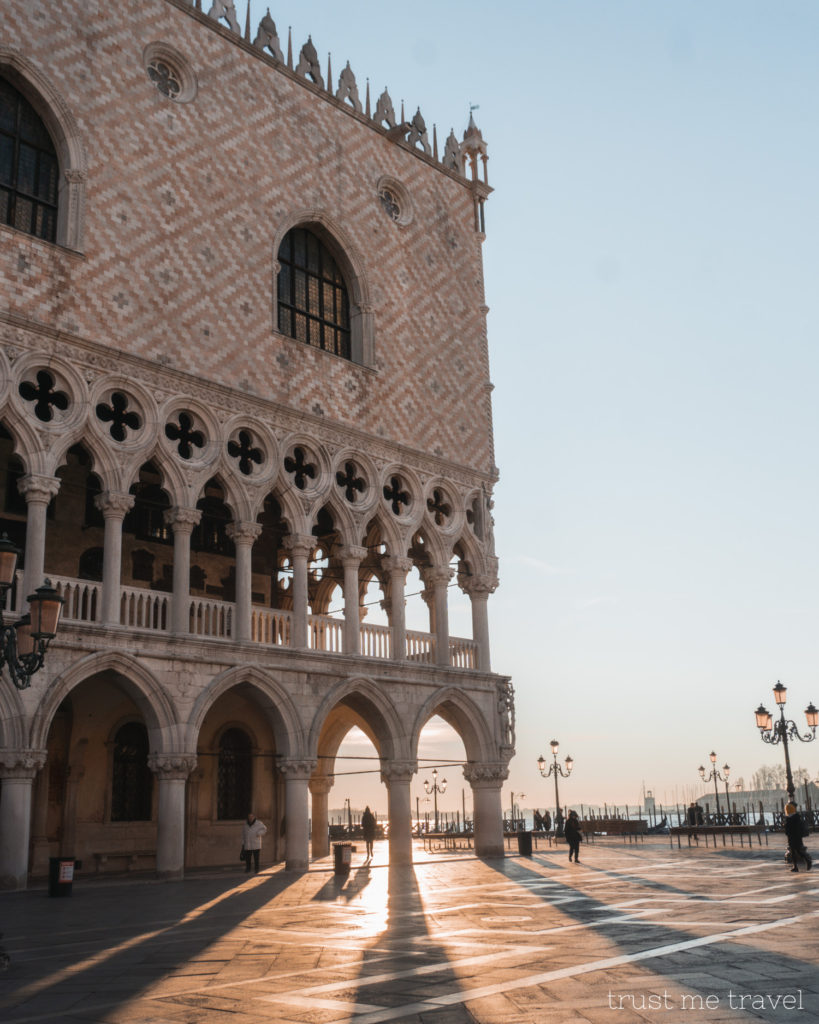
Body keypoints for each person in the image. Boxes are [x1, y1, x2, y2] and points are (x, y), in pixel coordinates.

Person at [784, 802, 812, 873]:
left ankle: (807, 861)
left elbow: (791, 829)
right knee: (794, 852)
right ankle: (795, 866)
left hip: (795, 837)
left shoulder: (793, 818)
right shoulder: (792, 817)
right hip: (793, 837)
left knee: (798, 851)